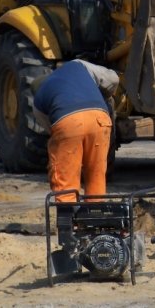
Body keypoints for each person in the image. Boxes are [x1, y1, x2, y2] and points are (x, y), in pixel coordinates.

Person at [32, 59, 119, 203]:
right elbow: (114, 78)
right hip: (100, 119)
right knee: (96, 176)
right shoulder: (79, 64)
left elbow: (54, 130)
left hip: (68, 122)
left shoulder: (38, 102)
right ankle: (95, 217)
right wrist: (106, 95)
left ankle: (68, 222)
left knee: (65, 181)